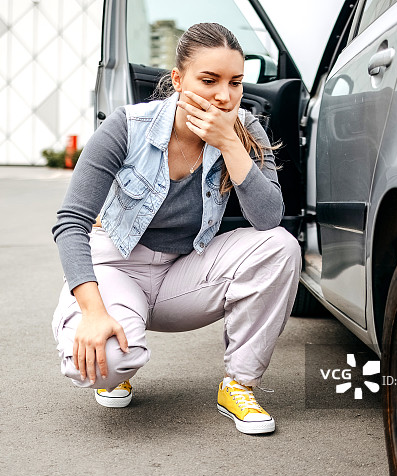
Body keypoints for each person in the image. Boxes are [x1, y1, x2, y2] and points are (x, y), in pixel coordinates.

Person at [50, 23, 301, 435]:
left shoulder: (247, 131)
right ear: (177, 80)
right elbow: (70, 222)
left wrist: (230, 145)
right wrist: (94, 312)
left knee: (280, 246)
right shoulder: (127, 126)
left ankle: (239, 385)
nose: (224, 95)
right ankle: (99, 330)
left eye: (235, 83)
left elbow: (267, 218)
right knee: (105, 366)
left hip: (182, 275)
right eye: (209, 80)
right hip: (116, 268)